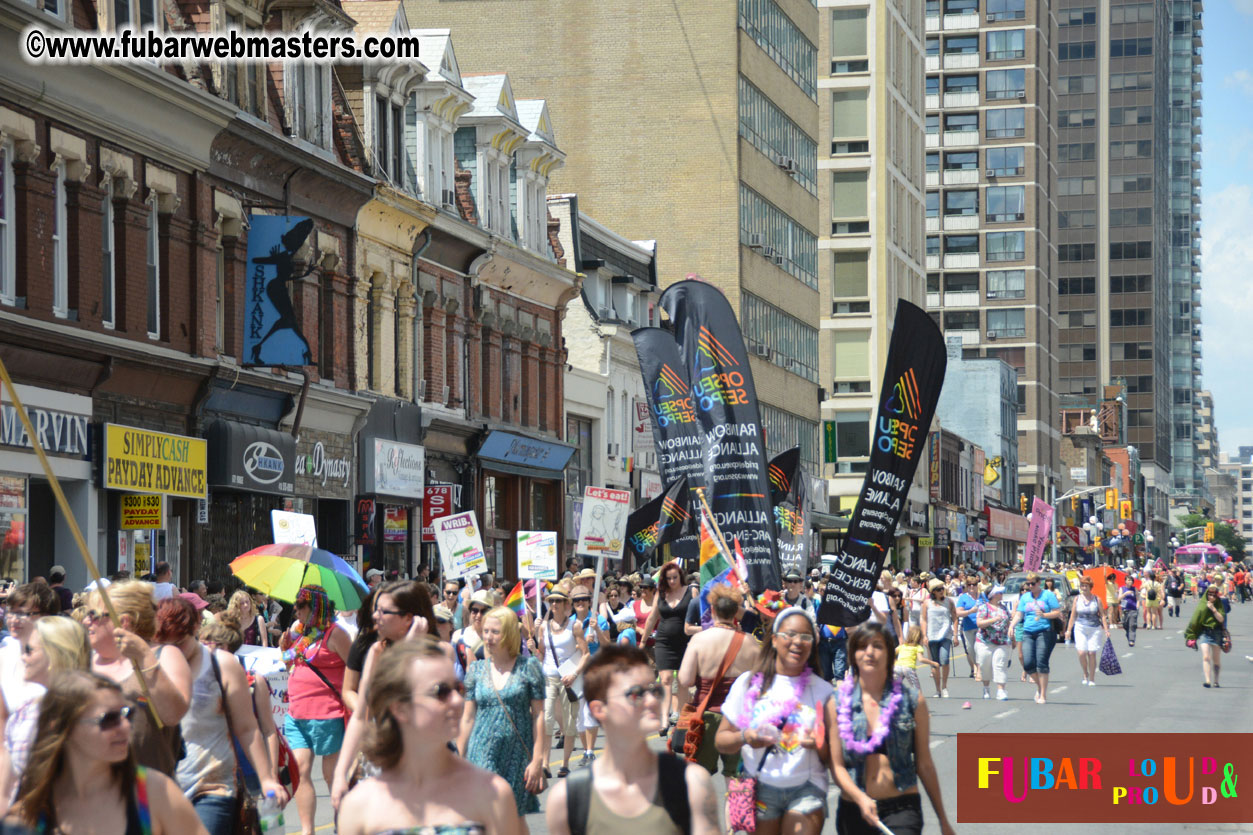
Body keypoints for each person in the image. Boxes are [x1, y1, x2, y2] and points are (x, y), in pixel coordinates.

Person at [335, 639, 522, 835]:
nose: (457, 701)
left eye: (458, 689)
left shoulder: (492, 793)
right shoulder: (359, 806)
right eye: (441, 692)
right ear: (400, 708)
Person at [548, 644, 719, 835]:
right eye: (636, 693)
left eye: (655, 690)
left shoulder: (691, 782)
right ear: (599, 709)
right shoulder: (568, 798)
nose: (652, 701)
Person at [9, 670, 206, 835]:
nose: (125, 726)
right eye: (109, 719)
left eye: (127, 714)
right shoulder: (34, 810)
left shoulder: (154, 792)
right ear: (63, 727)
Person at [154, 597, 287, 834]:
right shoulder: (151, 664)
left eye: (181, 643)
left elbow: (248, 728)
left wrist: (267, 778)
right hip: (163, 790)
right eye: (168, 644)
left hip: (212, 787)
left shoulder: (221, 664)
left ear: (196, 628)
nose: (175, 652)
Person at [715, 608, 835, 835]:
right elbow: (722, 741)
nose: (797, 642)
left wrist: (819, 744)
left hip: (807, 789)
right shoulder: (748, 684)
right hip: (760, 787)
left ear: (812, 645)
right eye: (789, 634)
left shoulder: (824, 691)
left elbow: (834, 759)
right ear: (774, 639)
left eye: (805, 637)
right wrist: (746, 737)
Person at [830, 623, 955, 835]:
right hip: (854, 809)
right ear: (853, 654)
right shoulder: (837, 703)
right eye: (862, 646)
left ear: (889, 654)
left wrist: (943, 819)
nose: (870, 652)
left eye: (878, 646)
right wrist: (860, 798)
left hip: (902, 809)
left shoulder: (912, 701)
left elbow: (924, 764)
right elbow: (836, 766)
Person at [331, 580, 439, 811]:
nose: (375, 616)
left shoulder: (437, 653)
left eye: (383, 611)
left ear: (408, 618)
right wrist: (340, 773)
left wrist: (410, 644)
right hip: (381, 760)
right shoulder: (375, 651)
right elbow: (361, 715)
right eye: (375, 610)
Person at [87, 581, 192, 775]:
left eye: (94, 615)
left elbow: (173, 714)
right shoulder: (85, 662)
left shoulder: (164, 656)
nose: (87, 621)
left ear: (123, 622)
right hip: (93, 786)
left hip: (145, 786)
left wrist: (144, 656)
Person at [457, 606, 547, 815]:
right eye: (486, 631)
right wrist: (459, 758)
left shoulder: (529, 667)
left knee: (514, 816)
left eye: (495, 632)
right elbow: (468, 718)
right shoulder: (476, 670)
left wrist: (537, 760)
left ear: (508, 634)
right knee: (488, 812)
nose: (488, 637)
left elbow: (539, 716)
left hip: (516, 755)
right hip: (481, 752)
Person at [279, 584, 351, 835]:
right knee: (300, 771)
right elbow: (290, 664)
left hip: (327, 714)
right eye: (296, 605)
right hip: (296, 713)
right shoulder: (302, 633)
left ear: (316, 607)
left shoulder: (336, 634)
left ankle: (343, 826)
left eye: (301, 605)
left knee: (332, 775)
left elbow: (355, 667)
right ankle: (307, 831)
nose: (296, 610)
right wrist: (285, 646)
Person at [0, 616, 91, 811]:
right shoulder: (26, 711)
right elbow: (6, 789)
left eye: (29, 650)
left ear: (54, 655)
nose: (23, 657)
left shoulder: (95, 714)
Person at [676, 584, 761, 777]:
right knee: (735, 779)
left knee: (699, 777)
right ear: (736, 612)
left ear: (712, 610)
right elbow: (760, 683)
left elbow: (685, 679)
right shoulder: (750, 642)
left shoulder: (699, 640)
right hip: (738, 718)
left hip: (707, 715)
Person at [197, 617, 282, 797]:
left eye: (205, 644)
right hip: (209, 772)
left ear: (224, 647)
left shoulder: (253, 680)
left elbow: (268, 730)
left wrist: (271, 775)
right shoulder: (196, 681)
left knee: (247, 813)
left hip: (248, 770)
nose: (199, 650)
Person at [535, 583, 589, 778]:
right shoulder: (544, 627)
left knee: (569, 721)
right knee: (547, 719)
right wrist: (534, 647)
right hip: (549, 677)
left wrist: (574, 674)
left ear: (566, 604)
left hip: (569, 679)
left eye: (558, 600)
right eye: (552, 601)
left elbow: (585, 654)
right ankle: (546, 763)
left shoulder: (575, 626)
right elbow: (542, 653)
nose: (554, 604)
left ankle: (565, 763)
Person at [642, 563, 694, 733]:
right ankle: (664, 718)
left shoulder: (691, 591)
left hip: (686, 642)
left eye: (675, 578)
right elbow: (652, 618)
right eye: (669, 578)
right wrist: (643, 641)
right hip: (664, 642)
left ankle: (681, 717)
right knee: (665, 679)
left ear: (680, 577)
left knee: (683, 680)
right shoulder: (661, 593)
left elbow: (701, 615)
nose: (672, 581)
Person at [0, 583, 60, 716]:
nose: (13, 619)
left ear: (46, 616)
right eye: (11, 612)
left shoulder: (55, 659)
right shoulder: (4, 654)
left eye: (22, 613)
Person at [1008, 572, 1062, 704]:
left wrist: (1044, 615)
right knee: (1027, 663)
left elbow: (1057, 612)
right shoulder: (1025, 597)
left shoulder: (1048, 595)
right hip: (1028, 631)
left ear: (1039, 583)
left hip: (1044, 631)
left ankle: (1043, 694)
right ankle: (1040, 686)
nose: (1030, 586)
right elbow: (1019, 614)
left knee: (1041, 663)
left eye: (1033, 583)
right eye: (1028, 584)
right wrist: (1011, 626)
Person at [1064, 577, 1110, 688]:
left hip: (1094, 628)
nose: (1084, 588)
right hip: (1080, 628)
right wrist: (1068, 630)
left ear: (1090, 587)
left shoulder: (1097, 599)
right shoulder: (1077, 599)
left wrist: (1106, 630)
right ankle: (1085, 672)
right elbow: (1073, 616)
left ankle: (1092, 679)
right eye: (1082, 586)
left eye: (1086, 586)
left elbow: (1103, 616)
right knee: (1082, 652)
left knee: (1092, 653)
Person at [1185, 584, 1228, 688]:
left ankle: (1216, 681)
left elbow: (1221, 619)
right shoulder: (1202, 604)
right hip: (1205, 632)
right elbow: (1195, 620)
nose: (1211, 597)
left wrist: (1213, 609)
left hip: (1216, 633)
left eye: (1214, 595)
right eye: (1210, 594)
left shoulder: (1219, 604)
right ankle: (1208, 680)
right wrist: (1191, 635)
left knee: (1216, 660)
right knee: (1206, 656)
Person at [974, 586, 1012, 701]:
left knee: (999, 665)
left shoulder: (1004, 608)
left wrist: (1012, 636)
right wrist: (993, 619)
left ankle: (1001, 690)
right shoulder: (984, 607)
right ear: (993, 595)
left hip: (1002, 641)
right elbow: (979, 623)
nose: (1002, 594)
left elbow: (1008, 622)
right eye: (999, 592)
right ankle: (986, 688)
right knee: (985, 665)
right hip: (985, 641)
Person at [920, 579, 956, 699]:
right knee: (935, 663)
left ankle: (944, 686)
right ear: (933, 592)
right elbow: (924, 619)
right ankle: (937, 689)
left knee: (945, 660)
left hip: (946, 635)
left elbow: (955, 617)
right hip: (932, 635)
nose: (941, 591)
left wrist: (955, 635)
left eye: (942, 588)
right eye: (939, 589)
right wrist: (924, 635)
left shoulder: (949, 602)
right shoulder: (927, 603)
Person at [892, 626, 940, 695]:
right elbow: (921, 659)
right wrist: (933, 663)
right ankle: (918, 699)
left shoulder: (902, 646)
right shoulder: (918, 647)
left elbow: (892, 653)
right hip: (908, 668)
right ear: (919, 638)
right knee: (917, 690)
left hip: (897, 667)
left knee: (895, 687)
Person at [954, 579, 982, 681]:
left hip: (981, 627)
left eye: (974, 584)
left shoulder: (983, 596)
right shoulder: (963, 598)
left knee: (980, 649)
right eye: (969, 584)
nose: (971, 586)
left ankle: (979, 669)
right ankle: (975, 666)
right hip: (968, 627)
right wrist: (970, 611)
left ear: (977, 585)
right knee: (970, 649)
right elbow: (958, 613)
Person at [1118, 576, 1140, 647]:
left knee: (1132, 625)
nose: (1130, 581)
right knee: (1125, 625)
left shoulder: (1134, 589)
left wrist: (1137, 605)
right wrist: (1125, 594)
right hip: (1125, 610)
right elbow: (1119, 599)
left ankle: (1131, 640)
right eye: (1128, 580)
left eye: (1131, 580)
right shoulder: (1122, 588)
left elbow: (1138, 598)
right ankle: (1129, 635)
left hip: (1133, 609)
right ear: (1125, 581)